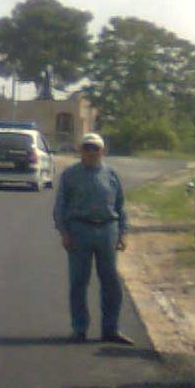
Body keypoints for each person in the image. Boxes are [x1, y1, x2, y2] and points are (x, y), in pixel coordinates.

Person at [52, 133, 132, 344]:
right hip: (79, 230)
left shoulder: (111, 175)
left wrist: (123, 232)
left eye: (95, 148)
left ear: (102, 151)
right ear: (80, 150)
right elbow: (60, 207)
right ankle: (79, 329)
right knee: (79, 281)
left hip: (107, 230)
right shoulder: (70, 175)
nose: (91, 152)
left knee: (111, 282)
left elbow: (120, 206)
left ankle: (111, 329)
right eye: (87, 148)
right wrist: (64, 232)